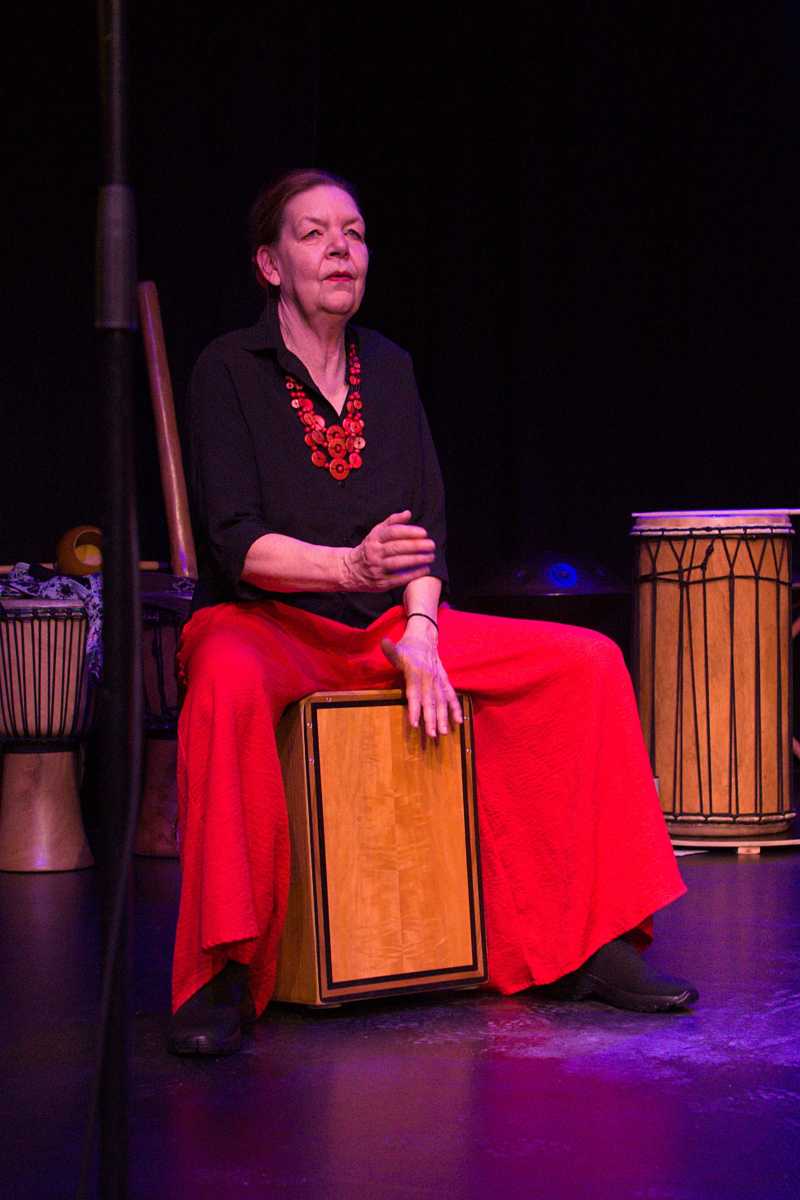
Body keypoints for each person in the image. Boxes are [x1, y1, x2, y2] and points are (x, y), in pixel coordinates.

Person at [169, 168, 697, 1056]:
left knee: (585, 664)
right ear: (269, 264)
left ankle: (589, 942)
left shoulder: (390, 367)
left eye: (353, 232)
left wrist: (421, 630)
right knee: (222, 677)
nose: (340, 248)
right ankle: (222, 969)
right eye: (313, 234)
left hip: (386, 625)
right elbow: (237, 544)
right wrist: (348, 566)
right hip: (269, 624)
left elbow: (425, 529)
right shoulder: (228, 369)